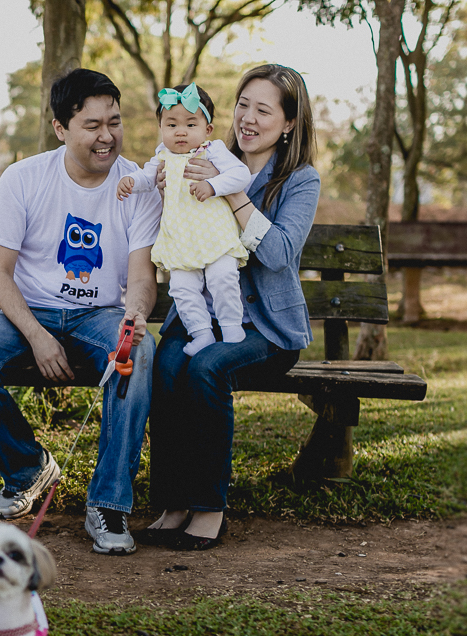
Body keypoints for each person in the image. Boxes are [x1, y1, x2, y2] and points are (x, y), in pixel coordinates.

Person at [0, 68, 162, 556]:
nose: (107, 136)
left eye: (115, 122)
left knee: (141, 355)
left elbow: (142, 275)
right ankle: (29, 470)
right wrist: (38, 336)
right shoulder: (23, 179)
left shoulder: (138, 186)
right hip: (29, 312)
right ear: (61, 128)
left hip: (100, 314)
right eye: (92, 125)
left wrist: (135, 313)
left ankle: (109, 504)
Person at [146, 64, 321, 550]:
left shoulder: (300, 181)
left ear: (287, 124)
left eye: (263, 110)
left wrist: (234, 193)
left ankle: (209, 506)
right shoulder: (197, 153)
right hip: (202, 314)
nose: (248, 118)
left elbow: (280, 254)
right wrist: (169, 193)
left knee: (205, 367)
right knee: (165, 364)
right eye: (243, 104)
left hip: (265, 329)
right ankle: (173, 501)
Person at [117, 82, 252, 358]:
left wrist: (214, 185)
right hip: (180, 239)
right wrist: (131, 181)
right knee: (182, 288)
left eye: (191, 125)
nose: (181, 131)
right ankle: (201, 332)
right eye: (171, 125)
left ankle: (231, 328)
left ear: (207, 130)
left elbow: (241, 175)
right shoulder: (161, 157)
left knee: (223, 277)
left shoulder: (211, 151)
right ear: (161, 129)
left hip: (215, 236)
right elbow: (147, 178)